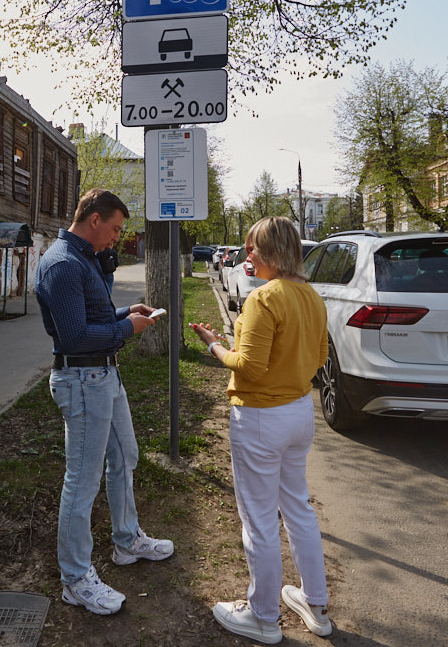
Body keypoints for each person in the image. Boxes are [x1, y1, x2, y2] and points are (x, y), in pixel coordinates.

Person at [192, 216, 334, 643]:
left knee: (258, 520)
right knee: (297, 508)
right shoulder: (311, 296)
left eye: (253, 248)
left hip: (259, 418)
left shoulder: (263, 298)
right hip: (297, 412)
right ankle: (315, 603)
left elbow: (250, 367)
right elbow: (318, 355)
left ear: (273, 252)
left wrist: (215, 346)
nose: (247, 254)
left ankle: (262, 617)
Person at [35, 188, 175, 615]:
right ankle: (75, 579)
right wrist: (129, 329)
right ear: (93, 219)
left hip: (103, 375)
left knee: (125, 456)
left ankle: (127, 541)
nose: (116, 237)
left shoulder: (84, 259)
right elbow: (73, 336)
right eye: (114, 228)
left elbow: (91, 319)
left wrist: (125, 313)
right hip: (82, 380)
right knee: (82, 480)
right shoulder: (62, 262)